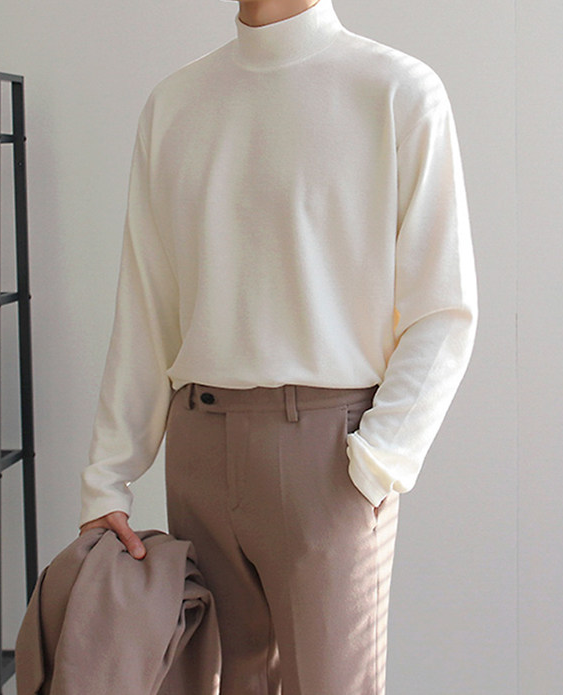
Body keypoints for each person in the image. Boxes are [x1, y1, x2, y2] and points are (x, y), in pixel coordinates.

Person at [78, 0, 477, 693]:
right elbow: (146, 309)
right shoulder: (173, 104)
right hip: (198, 449)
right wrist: (106, 478)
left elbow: (444, 308)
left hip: (330, 458)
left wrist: (377, 464)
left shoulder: (397, 92)